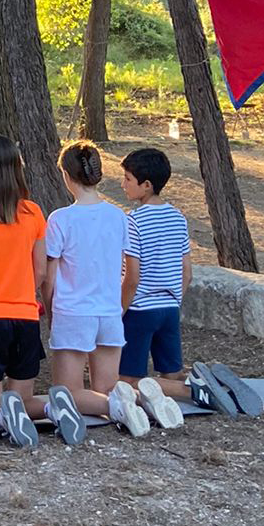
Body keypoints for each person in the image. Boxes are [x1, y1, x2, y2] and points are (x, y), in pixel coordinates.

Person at [0, 135, 75, 448]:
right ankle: (54, 408)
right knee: (22, 399)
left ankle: (4, 419)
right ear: (17, 168)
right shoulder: (33, 213)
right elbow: (40, 270)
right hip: (25, 316)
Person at [40, 141, 152, 438]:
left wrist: (50, 311)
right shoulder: (118, 216)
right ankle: (139, 400)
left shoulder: (60, 219)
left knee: (66, 393)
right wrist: (119, 306)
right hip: (108, 311)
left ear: (67, 175)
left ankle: (121, 407)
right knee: (106, 387)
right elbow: (129, 271)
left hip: (74, 311)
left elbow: (49, 278)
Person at [116, 146, 192, 427]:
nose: (122, 184)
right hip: (170, 307)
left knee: (127, 382)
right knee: (171, 372)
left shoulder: (133, 222)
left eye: (127, 179)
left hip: (140, 310)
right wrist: (175, 300)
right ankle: (191, 387)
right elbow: (187, 272)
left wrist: (120, 311)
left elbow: (131, 277)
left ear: (146, 185)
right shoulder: (178, 218)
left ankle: (194, 391)